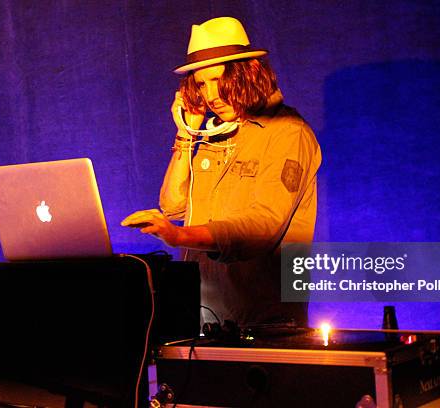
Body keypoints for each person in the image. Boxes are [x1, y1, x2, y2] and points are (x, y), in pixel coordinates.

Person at [122, 16, 321, 327]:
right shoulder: (216, 132)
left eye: (217, 80)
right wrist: (187, 133)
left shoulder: (287, 132)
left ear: (249, 73)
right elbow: (174, 205)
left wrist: (180, 235)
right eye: (201, 84)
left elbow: (264, 224)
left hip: (266, 323)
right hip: (205, 319)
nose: (210, 95)